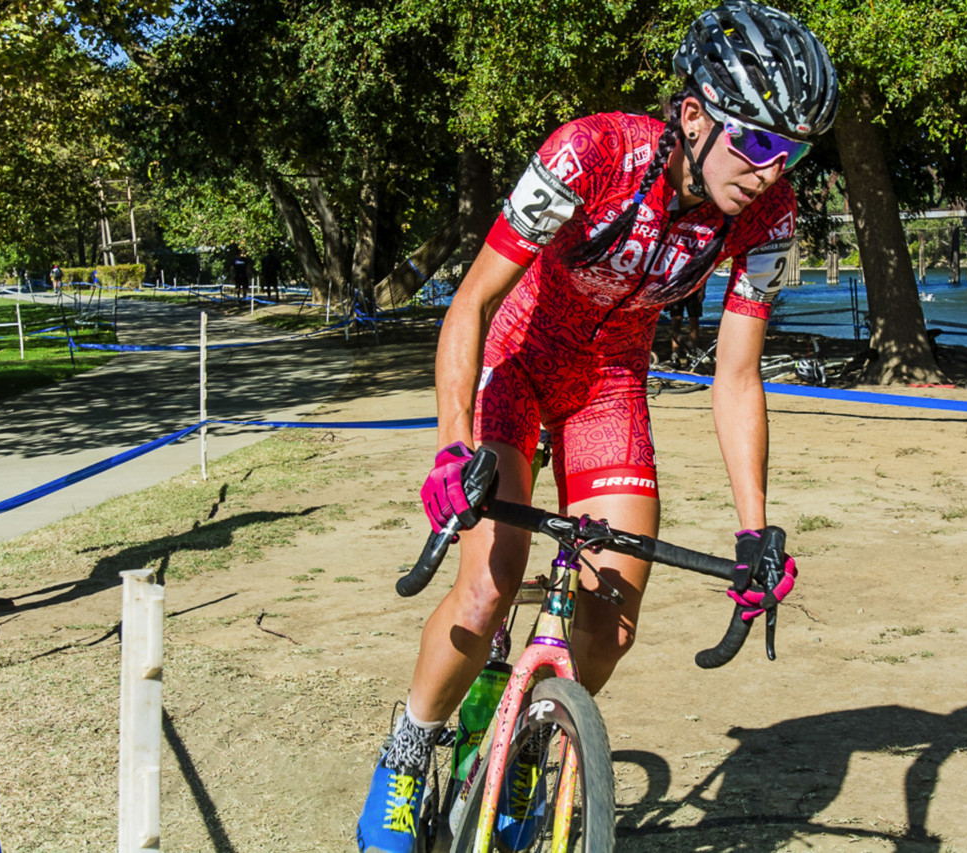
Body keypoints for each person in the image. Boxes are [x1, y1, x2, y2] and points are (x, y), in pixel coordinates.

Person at [356, 3, 836, 851]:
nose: (770, 170)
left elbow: (736, 371)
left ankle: (534, 749)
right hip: (517, 362)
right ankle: (405, 751)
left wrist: (756, 525)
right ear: (693, 115)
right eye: (757, 143)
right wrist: (451, 448)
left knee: (611, 620)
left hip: (610, 384)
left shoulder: (770, 215)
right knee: (487, 583)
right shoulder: (590, 153)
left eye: (790, 151)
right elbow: (470, 303)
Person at [668, 285, 704, 365]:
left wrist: (702, 289)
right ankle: (675, 354)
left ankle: (693, 355)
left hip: (694, 288)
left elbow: (701, 272)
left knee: (694, 323)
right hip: (676, 289)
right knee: (676, 321)